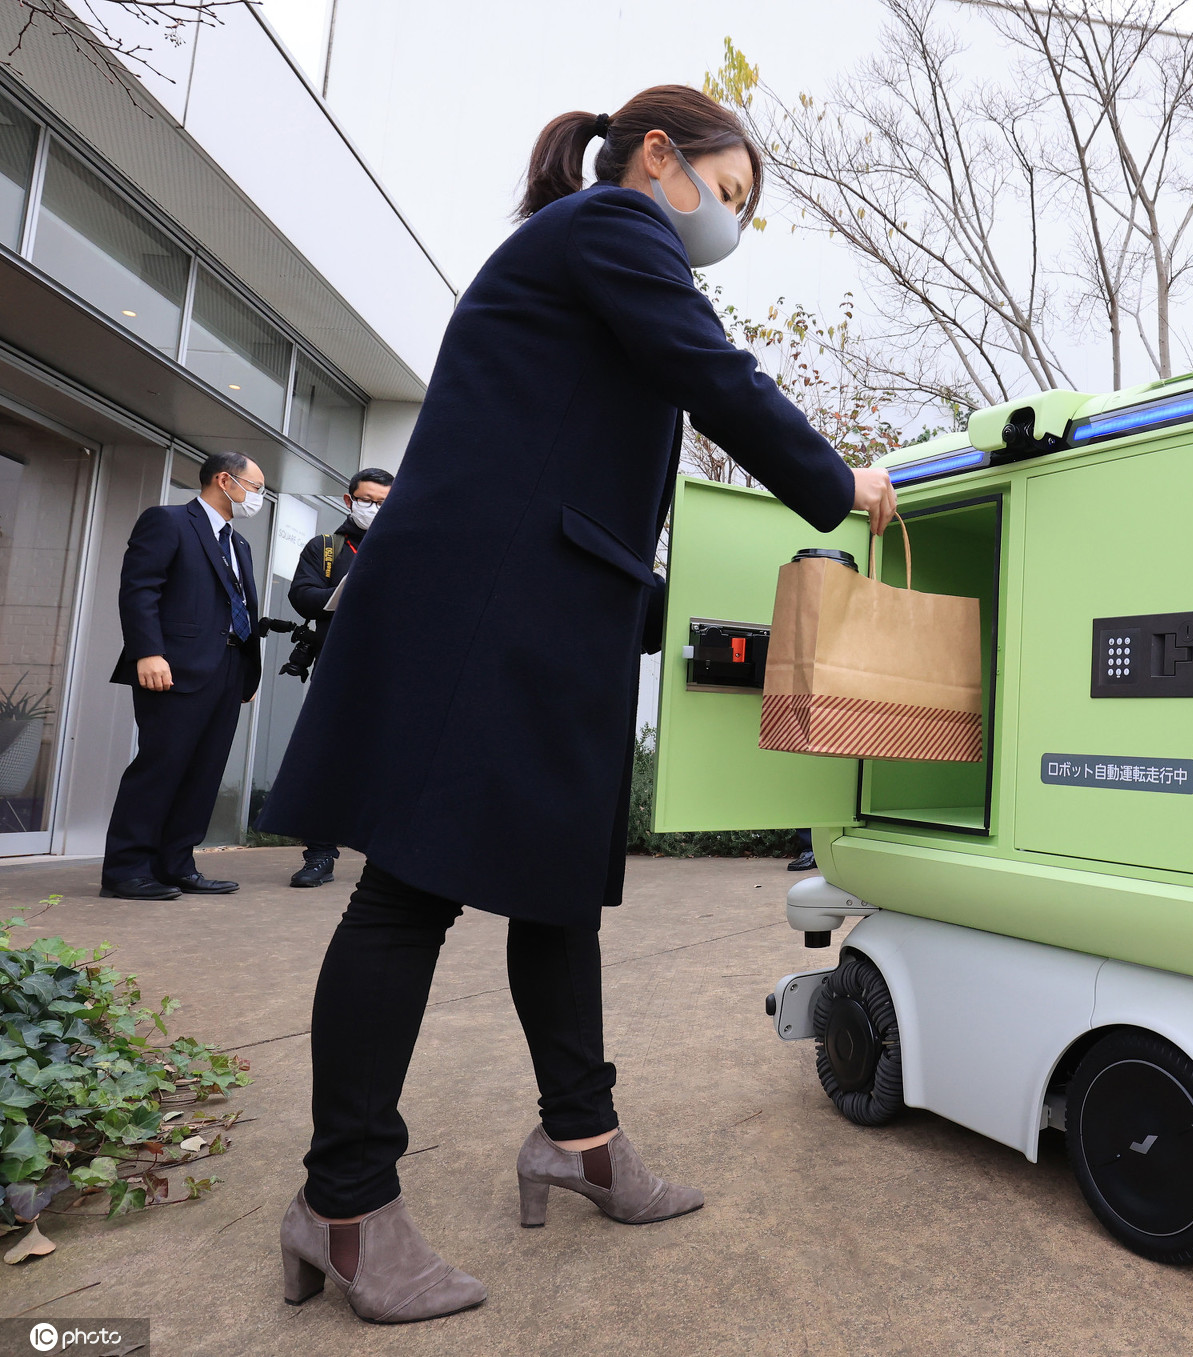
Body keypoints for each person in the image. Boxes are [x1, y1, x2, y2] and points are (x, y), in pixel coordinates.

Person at [259, 86, 900, 1325]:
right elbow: (715, 375)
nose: (727, 225)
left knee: (556, 886)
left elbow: (580, 459)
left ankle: (582, 1138)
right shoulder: (612, 227)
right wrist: (838, 479)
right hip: (484, 607)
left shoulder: (599, 260)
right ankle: (341, 1204)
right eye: (727, 196)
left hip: (550, 611)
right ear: (657, 157)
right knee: (408, 891)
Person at [100, 453, 267, 900]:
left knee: (204, 771)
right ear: (224, 479)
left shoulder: (239, 543)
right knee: (161, 766)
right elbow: (140, 589)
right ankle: (126, 869)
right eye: (255, 487)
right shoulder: (168, 521)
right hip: (172, 667)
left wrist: (246, 672)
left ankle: (176, 864)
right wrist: (148, 652)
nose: (258, 497)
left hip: (228, 668)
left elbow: (239, 608)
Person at [282, 468, 393, 888]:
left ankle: (391, 859)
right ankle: (320, 856)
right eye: (367, 500)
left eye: (383, 502)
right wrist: (347, 594)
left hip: (398, 671)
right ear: (349, 501)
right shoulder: (326, 547)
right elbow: (302, 595)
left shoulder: (413, 545)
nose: (374, 509)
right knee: (327, 759)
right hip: (338, 669)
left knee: (393, 760)